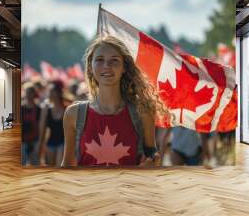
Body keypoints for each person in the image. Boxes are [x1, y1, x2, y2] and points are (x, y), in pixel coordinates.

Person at [61, 35, 170, 167]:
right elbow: (67, 167)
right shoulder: (74, 115)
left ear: (124, 67)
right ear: (90, 66)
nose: (107, 66)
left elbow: (153, 158)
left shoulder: (143, 112)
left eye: (114, 60)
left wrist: (151, 164)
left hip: (130, 187)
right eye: (100, 60)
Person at [38, 81, 68, 167]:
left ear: (58, 93)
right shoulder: (46, 109)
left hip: (63, 142)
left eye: (52, 92)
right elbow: (42, 131)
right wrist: (39, 149)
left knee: (60, 165)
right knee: (50, 167)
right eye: (50, 92)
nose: (50, 94)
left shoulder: (67, 109)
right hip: (50, 142)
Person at [21, 85, 41, 166]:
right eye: (27, 93)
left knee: (35, 164)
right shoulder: (21, 108)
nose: (28, 95)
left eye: (30, 93)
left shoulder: (38, 109)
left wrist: (39, 142)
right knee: (22, 163)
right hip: (23, 141)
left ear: (34, 94)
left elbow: (40, 126)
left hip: (34, 140)